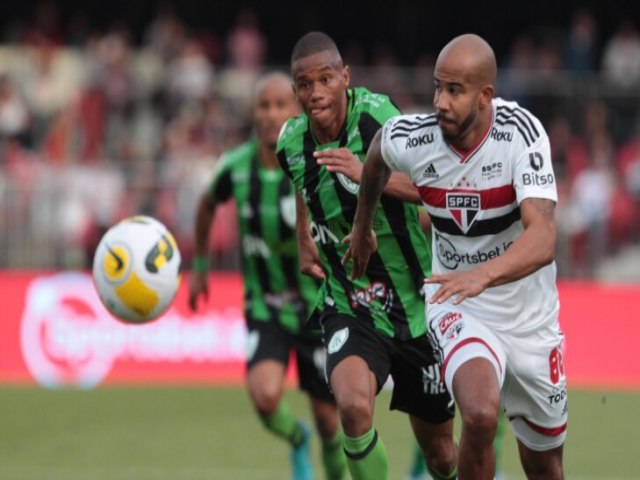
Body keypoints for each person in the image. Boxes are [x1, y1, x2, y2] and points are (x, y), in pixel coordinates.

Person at [345, 33, 567, 479]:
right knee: (481, 414)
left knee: (544, 464)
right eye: (437, 87)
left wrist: (483, 275)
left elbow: (543, 238)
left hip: (530, 318)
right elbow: (375, 158)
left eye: (454, 90)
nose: (440, 102)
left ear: (486, 96)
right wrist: (362, 225)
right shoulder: (415, 138)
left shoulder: (520, 135)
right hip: (458, 304)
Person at [276, 31, 457, 480]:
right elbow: (301, 182)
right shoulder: (290, 143)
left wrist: (367, 174)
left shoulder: (380, 120)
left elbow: (430, 190)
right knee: (354, 408)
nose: (316, 92)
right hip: (351, 303)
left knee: (441, 456)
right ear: (294, 88)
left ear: (345, 78)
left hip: (417, 307)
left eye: (326, 79)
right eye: (304, 83)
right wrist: (304, 234)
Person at [189, 71, 347, 480]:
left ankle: (327, 458)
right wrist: (201, 267)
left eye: (280, 105)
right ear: (253, 112)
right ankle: (297, 439)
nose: (272, 113)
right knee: (263, 397)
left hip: (317, 309)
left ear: (295, 109)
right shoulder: (236, 167)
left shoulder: (315, 163)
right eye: (264, 105)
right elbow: (206, 206)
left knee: (333, 425)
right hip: (265, 305)